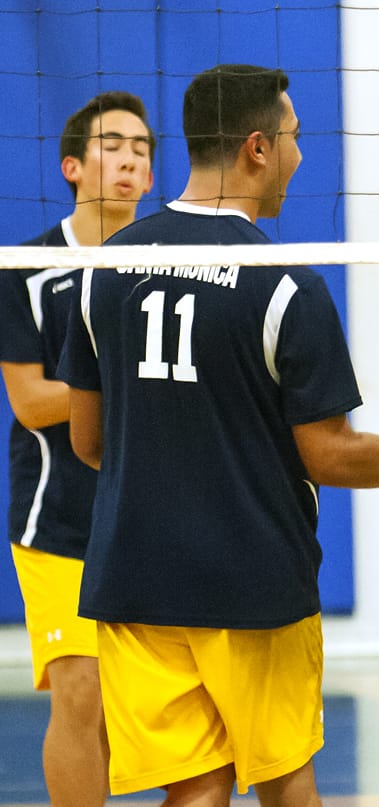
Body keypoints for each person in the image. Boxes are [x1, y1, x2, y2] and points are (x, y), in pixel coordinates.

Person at [55, 64, 379, 806]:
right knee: (286, 780)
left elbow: (88, 442)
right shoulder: (286, 284)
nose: (299, 153)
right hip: (250, 580)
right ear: (257, 148)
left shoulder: (107, 268)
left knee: (194, 790)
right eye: (293, 137)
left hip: (134, 574)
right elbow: (330, 455)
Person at [0, 90, 155, 807]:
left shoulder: (172, 266)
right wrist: (119, 378)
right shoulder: (21, 268)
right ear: (72, 165)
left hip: (149, 512)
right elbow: (31, 402)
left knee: (159, 703)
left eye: (142, 149)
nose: (128, 159)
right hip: (57, 515)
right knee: (80, 689)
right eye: (112, 145)